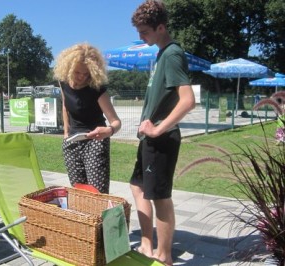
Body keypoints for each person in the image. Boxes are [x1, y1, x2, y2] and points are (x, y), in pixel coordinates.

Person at [130, 1, 196, 265]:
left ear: (161, 27)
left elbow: (188, 99)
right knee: (138, 187)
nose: (140, 36)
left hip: (161, 139)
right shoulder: (161, 54)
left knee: (160, 197)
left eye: (145, 31)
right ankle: (147, 245)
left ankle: (165, 257)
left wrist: (157, 128)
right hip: (150, 139)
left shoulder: (171, 54)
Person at [53, 43, 121, 194]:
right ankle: (85, 218)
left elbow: (116, 122)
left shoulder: (96, 89)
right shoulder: (63, 82)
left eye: (87, 73)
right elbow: (65, 106)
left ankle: (100, 218)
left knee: (97, 192)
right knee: (78, 191)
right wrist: (65, 133)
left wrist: (109, 130)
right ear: (69, 68)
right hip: (73, 141)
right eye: (78, 72)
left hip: (95, 142)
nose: (82, 77)